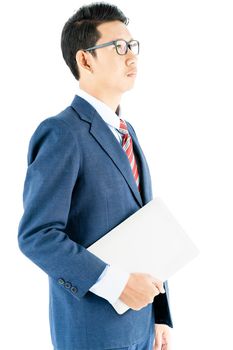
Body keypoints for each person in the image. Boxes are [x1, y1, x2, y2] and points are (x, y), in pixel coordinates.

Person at [18, 2, 173, 350]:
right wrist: (117, 284)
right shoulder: (61, 132)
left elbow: (145, 227)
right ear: (85, 59)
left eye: (133, 46)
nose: (132, 57)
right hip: (91, 330)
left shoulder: (127, 131)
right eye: (119, 47)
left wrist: (160, 313)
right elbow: (37, 235)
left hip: (142, 326)